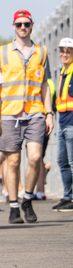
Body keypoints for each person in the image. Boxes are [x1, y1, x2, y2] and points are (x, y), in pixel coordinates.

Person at [0, 10, 53, 225]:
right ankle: (14, 205)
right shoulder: (3, 52)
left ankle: (27, 197)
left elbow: (45, 85)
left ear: (32, 25)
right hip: (9, 114)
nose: (23, 28)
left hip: (35, 111)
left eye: (26, 24)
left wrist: (49, 113)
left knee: (35, 157)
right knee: (13, 161)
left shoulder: (42, 52)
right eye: (19, 24)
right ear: (13, 26)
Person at [53, 37, 73, 211]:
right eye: (62, 50)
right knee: (62, 161)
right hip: (63, 122)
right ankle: (68, 197)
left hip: (72, 124)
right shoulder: (64, 72)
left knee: (72, 162)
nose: (64, 54)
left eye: (68, 51)